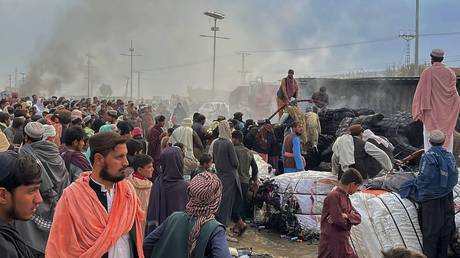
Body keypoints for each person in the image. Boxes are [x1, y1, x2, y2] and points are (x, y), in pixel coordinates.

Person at [45, 132, 144, 257]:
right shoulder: (72, 197)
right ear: (99, 159)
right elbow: (60, 247)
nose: (126, 163)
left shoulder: (128, 191)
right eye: (119, 157)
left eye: (125, 156)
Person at [143, 172, 231, 258]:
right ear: (216, 198)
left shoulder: (174, 217)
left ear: (190, 193)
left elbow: (147, 243)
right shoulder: (215, 229)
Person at [399, 130, 457, 258]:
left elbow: (424, 177)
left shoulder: (428, 156)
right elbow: (453, 177)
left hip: (431, 201)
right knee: (445, 231)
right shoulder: (449, 156)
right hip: (447, 197)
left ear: (430, 142)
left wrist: (418, 187)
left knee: (431, 233)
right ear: (443, 142)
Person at [17, 122, 70, 256]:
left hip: (39, 202)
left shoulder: (25, 153)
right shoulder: (54, 151)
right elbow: (64, 176)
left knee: (34, 238)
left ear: (25, 137)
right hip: (59, 200)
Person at [412, 48, 460, 153]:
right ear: (442, 58)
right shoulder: (450, 73)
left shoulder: (427, 72)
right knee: (447, 142)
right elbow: (454, 96)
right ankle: (445, 166)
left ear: (431, 58)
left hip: (430, 115)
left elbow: (419, 93)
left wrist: (417, 112)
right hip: (447, 116)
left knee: (429, 143)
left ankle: (431, 165)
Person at [0, 151, 42, 258]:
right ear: (2, 195)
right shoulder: (4, 249)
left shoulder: (7, 230)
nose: (39, 199)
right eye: (32, 191)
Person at [318, 168, 363, 258]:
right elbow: (338, 220)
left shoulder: (346, 198)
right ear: (352, 184)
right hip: (331, 242)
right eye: (357, 187)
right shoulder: (333, 196)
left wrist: (347, 216)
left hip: (343, 241)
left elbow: (358, 217)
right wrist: (349, 220)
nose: (356, 190)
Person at [145, 146, 189, 235]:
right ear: (179, 162)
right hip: (178, 237)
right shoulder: (185, 187)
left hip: (159, 237)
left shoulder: (157, 184)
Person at [213, 120, 242, 228]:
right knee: (227, 203)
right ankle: (223, 228)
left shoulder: (216, 143)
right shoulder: (228, 143)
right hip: (230, 177)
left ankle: (221, 226)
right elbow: (235, 163)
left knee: (220, 201)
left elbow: (214, 160)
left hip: (220, 175)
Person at [232, 130, 258, 224]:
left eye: (232, 139)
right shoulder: (249, 152)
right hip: (245, 181)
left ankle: (235, 224)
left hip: (235, 181)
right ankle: (242, 223)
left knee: (235, 203)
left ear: (236, 140)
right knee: (242, 203)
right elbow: (255, 168)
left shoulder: (233, 150)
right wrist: (252, 180)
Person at [126, 154, 154, 234]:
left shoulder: (127, 183)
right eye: (149, 167)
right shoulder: (127, 186)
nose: (153, 169)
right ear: (139, 170)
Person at [148, 115, 166, 181]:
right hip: (154, 153)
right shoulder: (154, 130)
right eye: (163, 121)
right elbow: (153, 143)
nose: (164, 123)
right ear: (158, 122)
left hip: (158, 152)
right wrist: (161, 136)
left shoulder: (159, 129)